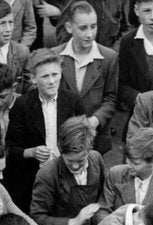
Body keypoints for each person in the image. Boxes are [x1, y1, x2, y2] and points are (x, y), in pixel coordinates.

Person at [4, 48, 84, 210]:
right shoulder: (22, 105)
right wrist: (32, 152)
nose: (51, 81)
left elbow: (85, 141)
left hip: (66, 175)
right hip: (31, 179)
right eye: (45, 76)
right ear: (33, 79)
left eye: (55, 75)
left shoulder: (72, 101)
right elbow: (12, 150)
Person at [30, 117, 106, 225]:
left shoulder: (96, 160)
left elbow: (103, 197)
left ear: (89, 149)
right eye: (70, 161)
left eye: (81, 160)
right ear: (60, 150)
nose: (76, 166)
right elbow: (37, 218)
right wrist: (73, 222)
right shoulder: (48, 174)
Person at [54, 1, 119, 155]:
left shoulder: (108, 58)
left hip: (95, 139)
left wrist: (94, 121)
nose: (90, 34)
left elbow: (112, 98)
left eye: (93, 26)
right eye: (83, 28)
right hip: (61, 136)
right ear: (69, 27)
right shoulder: (55, 56)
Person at [101, 128, 153, 219]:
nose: (128, 164)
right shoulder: (115, 174)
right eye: (128, 158)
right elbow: (102, 210)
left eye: (135, 163)